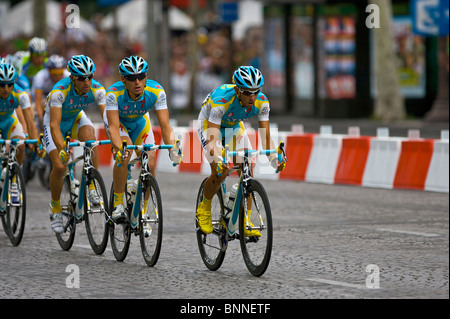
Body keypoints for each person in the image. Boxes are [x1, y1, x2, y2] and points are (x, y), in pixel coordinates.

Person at [196, 66, 286, 235]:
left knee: (248, 170)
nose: (252, 97)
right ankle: (204, 207)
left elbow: (266, 140)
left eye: (256, 91)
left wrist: (275, 161)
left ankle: (245, 221)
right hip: (210, 125)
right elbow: (212, 139)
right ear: (237, 89)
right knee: (219, 170)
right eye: (246, 92)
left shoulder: (262, 102)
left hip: (233, 126)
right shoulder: (222, 101)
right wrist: (218, 157)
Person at [104, 55, 182, 224]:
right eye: (132, 78)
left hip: (140, 122)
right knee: (125, 154)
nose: (137, 82)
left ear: (146, 77)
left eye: (141, 76)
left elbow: (166, 125)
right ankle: (117, 204)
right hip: (120, 123)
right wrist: (118, 148)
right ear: (123, 80)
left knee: (151, 162)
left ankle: (143, 210)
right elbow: (113, 128)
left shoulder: (157, 91)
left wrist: (173, 148)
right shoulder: (113, 94)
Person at [43, 55, 106, 234]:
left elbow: (108, 119)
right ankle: (55, 209)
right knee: (60, 167)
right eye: (81, 78)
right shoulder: (59, 92)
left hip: (76, 117)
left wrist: (117, 141)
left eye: (89, 77)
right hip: (55, 123)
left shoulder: (97, 89)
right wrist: (62, 148)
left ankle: (92, 184)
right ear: (72, 78)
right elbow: (54, 125)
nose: (86, 82)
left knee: (90, 141)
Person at [0, 62, 42, 201]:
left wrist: (35, 143)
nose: (6, 88)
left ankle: (14, 178)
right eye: (2, 85)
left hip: (9, 121)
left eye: (10, 84)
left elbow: (30, 121)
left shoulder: (21, 94)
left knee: (21, 143)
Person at [32, 55, 70, 131]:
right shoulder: (40, 76)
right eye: (55, 74)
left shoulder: (68, 76)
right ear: (48, 71)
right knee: (42, 103)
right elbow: (37, 100)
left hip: (60, 99)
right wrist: (40, 118)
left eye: (60, 73)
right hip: (43, 100)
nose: (58, 77)